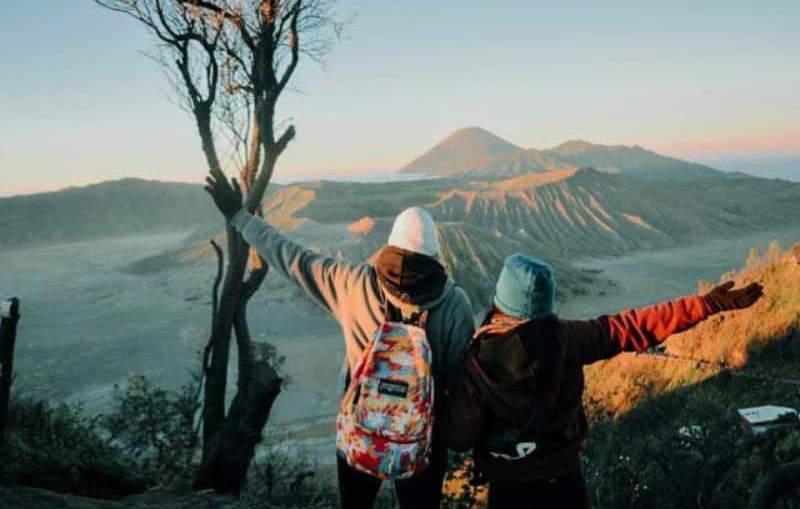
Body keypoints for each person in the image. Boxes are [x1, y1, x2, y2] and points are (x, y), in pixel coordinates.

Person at [204, 171, 476, 508]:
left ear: (390, 245)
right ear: (435, 255)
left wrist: (239, 216)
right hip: (421, 439)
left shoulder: (351, 283)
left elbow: (289, 256)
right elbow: (458, 381)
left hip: (361, 429)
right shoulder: (455, 304)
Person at [442, 253, 764, 509]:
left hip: (509, 490)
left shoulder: (476, 365)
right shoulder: (568, 338)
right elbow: (632, 327)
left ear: (499, 301)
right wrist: (706, 304)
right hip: (565, 483)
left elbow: (459, 437)